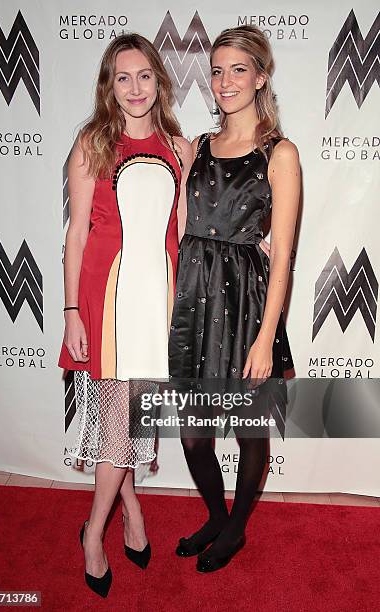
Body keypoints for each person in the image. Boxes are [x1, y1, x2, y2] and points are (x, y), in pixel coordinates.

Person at [58, 33, 192, 597]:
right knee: (121, 427)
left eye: (144, 76)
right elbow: (75, 236)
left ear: (159, 81)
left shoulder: (178, 148)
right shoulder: (92, 143)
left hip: (156, 302)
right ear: (108, 86)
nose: (135, 88)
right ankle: (96, 533)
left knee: (133, 423)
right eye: (122, 77)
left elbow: (181, 231)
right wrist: (71, 311)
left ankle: (130, 510)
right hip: (108, 300)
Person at [168, 25, 300, 572]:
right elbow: (179, 227)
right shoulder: (196, 147)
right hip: (195, 299)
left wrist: (266, 337)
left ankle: (236, 530)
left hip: (248, 304)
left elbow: (285, 254)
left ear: (261, 76)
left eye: (238, 69)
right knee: (193, 433)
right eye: (217, 71)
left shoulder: (281, 153)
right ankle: (216, 517)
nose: (225, 82)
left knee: (249, 432)